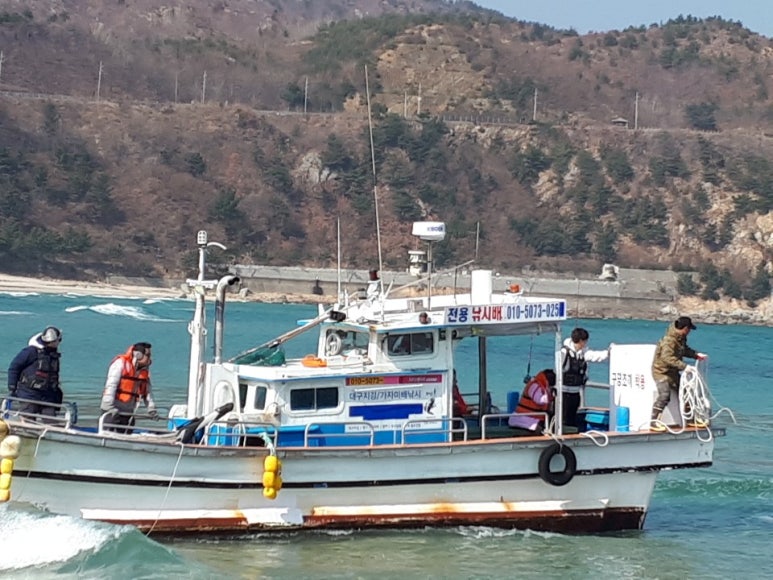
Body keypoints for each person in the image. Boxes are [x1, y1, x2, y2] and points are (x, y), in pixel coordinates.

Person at [650, 316, 707, 431]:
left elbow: (684, 350)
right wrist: (685, 366)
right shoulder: (669, 340)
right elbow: (667, 358)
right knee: (664, 396)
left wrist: (696, 355)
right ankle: (653, 421)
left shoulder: (681, 338)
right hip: (661, 372)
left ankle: (690, 419)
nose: (690, 332)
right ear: (685, 328)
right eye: (689, 329)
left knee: (686, 393)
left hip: (673, 372)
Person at [7, 326, 64, 422]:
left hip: (47, 396)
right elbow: (14, 367)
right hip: (29, 394)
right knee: (28, 421)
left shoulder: (53, 354)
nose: (59, 343)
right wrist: (12, 387)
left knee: (52, 422)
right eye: (59, 340)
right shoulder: (30, 352)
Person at [100, 342, 157, 433]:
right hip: (112, 410)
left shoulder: (144, 370)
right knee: (108, 433)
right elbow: (111, 385)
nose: (150, 358)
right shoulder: (120, 364)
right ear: (138, 355)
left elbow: (147, 391)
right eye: (148, 355)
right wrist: (109, 406)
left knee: (126, 433)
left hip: (128, 412)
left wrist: (151, 409)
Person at [560, 327, 610, 430]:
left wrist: (608, 353)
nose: (586, 343)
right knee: (563, 418)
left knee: (572, 417)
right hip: (563, 392)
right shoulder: (564, 353)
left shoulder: (583, 353)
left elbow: (595, 356)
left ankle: (572, 432)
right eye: (585, 341)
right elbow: (558, 370)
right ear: (581, 341)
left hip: (575, 392)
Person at [508, 369, 556, 436]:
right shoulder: (535, 385)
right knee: (539, 429)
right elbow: (540, 400)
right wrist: (551, 395)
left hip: (531, 419)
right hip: (523, 419)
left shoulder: (541, 386)